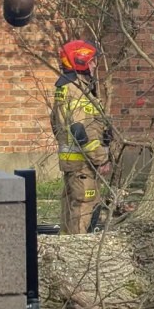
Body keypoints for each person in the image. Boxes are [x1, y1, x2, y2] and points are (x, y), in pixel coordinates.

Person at [51, 39, 112, 234]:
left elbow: (56, 124)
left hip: (75, 166)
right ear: (82, 61)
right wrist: (101, 159)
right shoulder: (77, 91)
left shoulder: (66, 88)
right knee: (82, 215)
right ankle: (77, 257)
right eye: (92, 61)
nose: (94, 65)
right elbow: (81, 132)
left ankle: (66, 255)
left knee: (70, 214)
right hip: (84, 166)